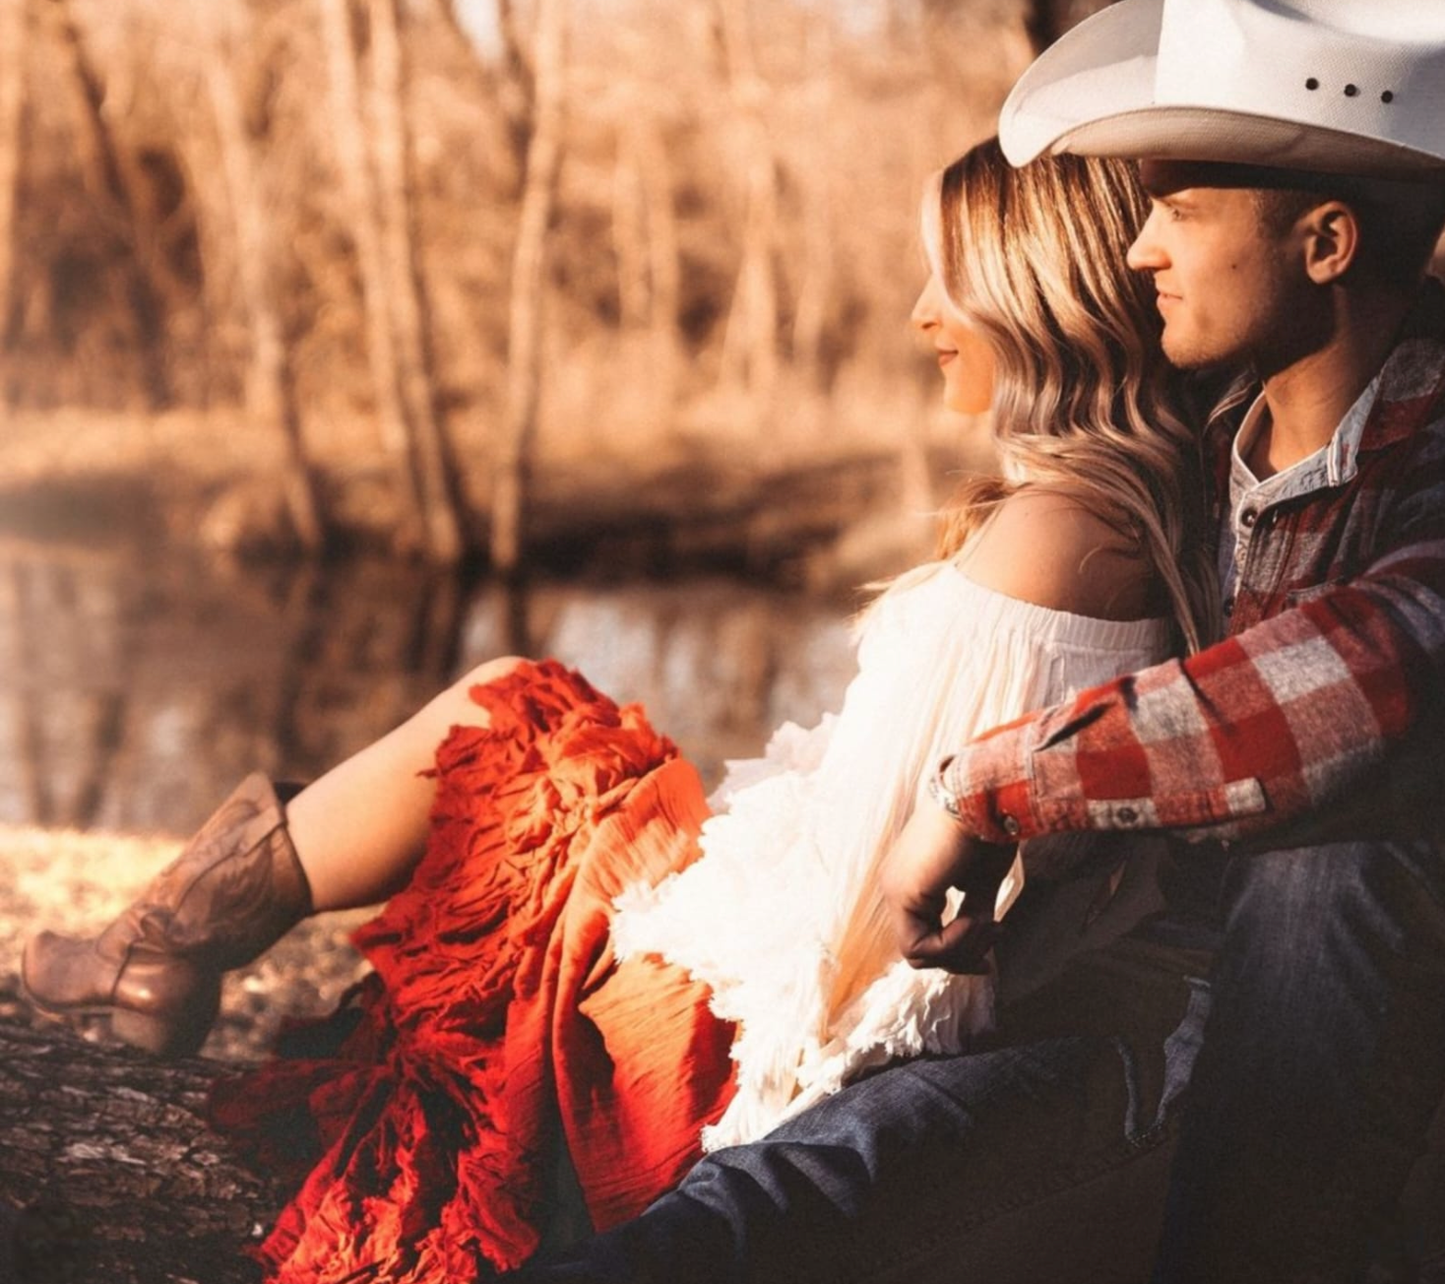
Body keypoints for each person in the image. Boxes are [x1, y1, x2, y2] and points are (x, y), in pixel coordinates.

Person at [20, 137, 1212, 1282]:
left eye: (948, 276)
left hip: (744, 1058)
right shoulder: (1117, 514)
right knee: (542, 730)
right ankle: (160, 942)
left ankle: (158, 948)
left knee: (516, 721)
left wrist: (646, 896)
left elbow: (854, 940)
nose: (919, 311)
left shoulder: (1055, 538)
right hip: (814, 1004)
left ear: (1037, 292)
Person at [515, 2, 1445, 1282]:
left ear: (1326, 241)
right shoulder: (1225, 444)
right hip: (1128, 1023)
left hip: (1309, 1086)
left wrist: (993, 791)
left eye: (1176, 208)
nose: (1135, 249)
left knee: (1327, 852)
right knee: (771, 1202)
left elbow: (1384, 670)